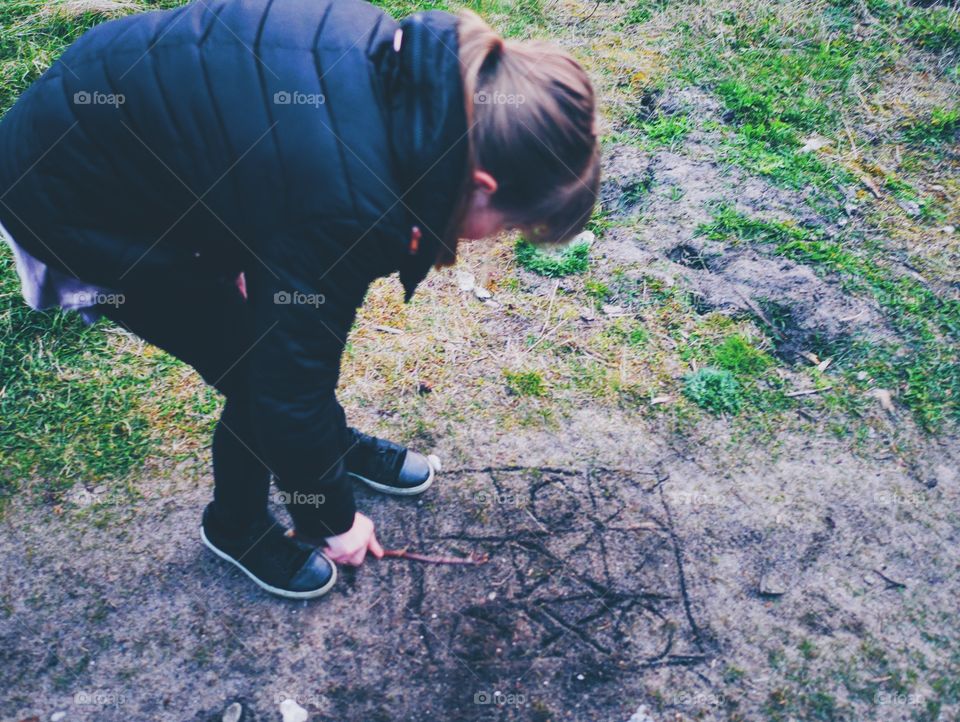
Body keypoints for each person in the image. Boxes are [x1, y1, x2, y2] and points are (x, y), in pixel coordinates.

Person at [0, 0, 599, 599]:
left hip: (129, 120)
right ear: (480, 184)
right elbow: (283, 383)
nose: (492, 240)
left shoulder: (406, 66)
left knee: (282, 361)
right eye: (508, 227)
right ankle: (235, 527)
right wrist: (330, 519)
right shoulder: (349, 205)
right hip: (78, 199)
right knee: (253, 374)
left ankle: (324, 445)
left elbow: (255, 153)